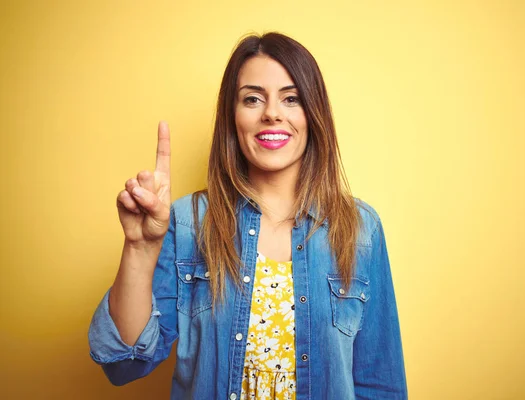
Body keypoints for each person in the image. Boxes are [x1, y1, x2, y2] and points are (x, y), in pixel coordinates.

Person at [88, 32, 408, 400]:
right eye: (253, 98)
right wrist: (139, 250)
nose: (272, 113)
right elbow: (122, 363)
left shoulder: (360, 229)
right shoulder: (188, 223)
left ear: (313, 114)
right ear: (233, 116)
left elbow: (381, 384)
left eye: (291, 99)